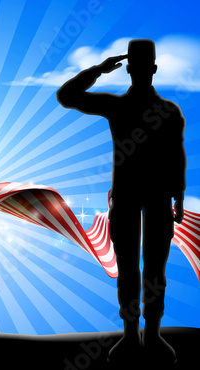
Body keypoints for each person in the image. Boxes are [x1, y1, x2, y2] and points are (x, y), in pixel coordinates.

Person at [56, 39, 186, 365]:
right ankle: (139, 336)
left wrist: (100, 70)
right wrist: (179, 195)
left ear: (129, 68)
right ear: (151, 69)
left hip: (142, 198)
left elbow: (67, 96)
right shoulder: (165, 111)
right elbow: (177, 158)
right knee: (143, 268)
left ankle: (144, 336)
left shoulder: (122, 107)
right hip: (141, 198)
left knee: (143, 268)